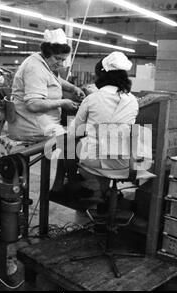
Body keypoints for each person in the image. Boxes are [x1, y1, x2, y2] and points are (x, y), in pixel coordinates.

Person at [9, 28, 92, 198]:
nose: (60, 64)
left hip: (41, 120)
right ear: (47, 52)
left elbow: (55, 78)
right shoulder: (35, 68)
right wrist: (64, 102)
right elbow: (32, 104)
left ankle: (58, 185)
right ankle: (71, 184)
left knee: (68, 138)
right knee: (71, 141)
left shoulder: (42, 62)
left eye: (63, 60)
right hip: (31, 123)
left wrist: (73, 88)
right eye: (58, 59)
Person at [72, 51, 138, 199]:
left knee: (67, 145)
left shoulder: (93, 99)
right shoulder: (133, 100)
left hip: (97, 160)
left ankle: (71, 186)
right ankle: (105, 192)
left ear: (101, 76)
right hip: (125, 162)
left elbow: (75, 130)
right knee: (109, 147)